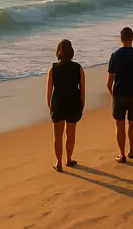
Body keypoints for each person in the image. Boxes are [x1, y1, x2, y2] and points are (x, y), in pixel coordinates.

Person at [107, 27, 133, 163]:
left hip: (119, 94)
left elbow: (109, 81)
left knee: (120, 125)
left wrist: (113, 94)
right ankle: (132, 150)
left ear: (120, 38)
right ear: (132, 38)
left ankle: (122, 154)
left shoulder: (115, 56)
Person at [46, 39, 85, 172]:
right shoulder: (78, 68)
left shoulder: (53, 69)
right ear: (71, 52)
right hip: (73, 103)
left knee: (57, 136)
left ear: (59, 52)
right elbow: (83, 89)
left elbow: (49, 91)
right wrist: (82, 105)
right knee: (70, 133)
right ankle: (68, 159)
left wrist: (50, 106)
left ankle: (58, 162)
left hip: (58, 104)